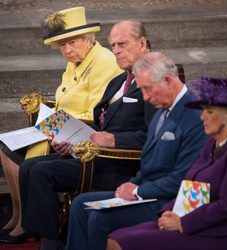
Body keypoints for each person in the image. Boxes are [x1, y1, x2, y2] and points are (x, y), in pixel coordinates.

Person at [13, 20, 156, 248]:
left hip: (118, 163)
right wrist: (70, 139)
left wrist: (114, 139)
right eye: (113, 45)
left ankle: (51, 245)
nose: (116, 50)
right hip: (95, 152)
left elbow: (154, 134)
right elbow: (102, 121)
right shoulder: (120, 80)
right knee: (29, 167)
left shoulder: (153, 81)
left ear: (142, 43)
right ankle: (49, 236)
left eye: (122, 44)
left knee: (41, 172)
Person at [0, 6, 122, 243]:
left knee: (19, 157)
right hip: (60, 125)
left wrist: (55, 124)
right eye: (62, 45)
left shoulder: (104, 61)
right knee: (4, 146)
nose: (66, 50)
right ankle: (18, 215)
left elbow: (96, 111)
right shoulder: (77, 59)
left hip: (80, 132)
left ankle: (27, 222)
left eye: (72, 42)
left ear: (88, 39)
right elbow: (67, 97)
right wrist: (49, 114)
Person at [65, 52, 207, 250]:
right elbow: (148, 165)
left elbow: (184, 179)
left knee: (99, 217)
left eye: (148, 89)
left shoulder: (195, 117)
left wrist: (137, 191)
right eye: (142, 90)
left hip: (170, 202)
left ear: (168, 80)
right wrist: (130, 185)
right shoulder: (160, 113)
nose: (146, 97)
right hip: (147, 193)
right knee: (80, 205)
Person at [107, 77, 227, 250]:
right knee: (116, 237)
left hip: (213, 234)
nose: (202, 117)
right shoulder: (212, 143)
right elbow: (189, 186)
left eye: (209, 112)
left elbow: (226, 207)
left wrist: (182, 222)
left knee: (123, 242)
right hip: (187, 220)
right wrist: (169, 212)